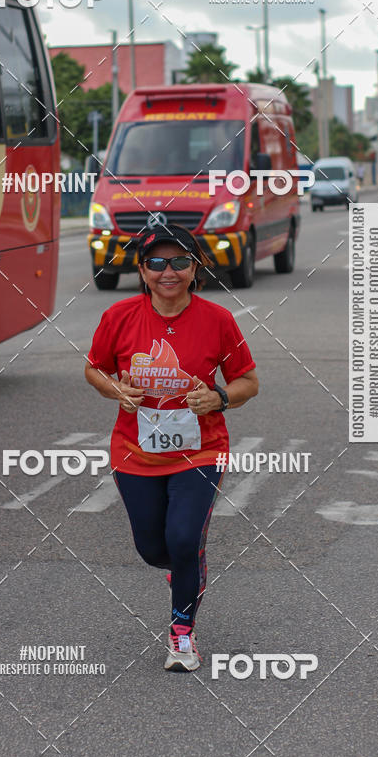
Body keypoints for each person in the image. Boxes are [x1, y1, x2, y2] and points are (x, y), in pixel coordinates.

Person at [84, 224, 259, 672]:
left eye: (180, 262)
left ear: (195, 268)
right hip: (135, 452)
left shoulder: (218, 320)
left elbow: (248, 382)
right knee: (152, 548)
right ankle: (181, 568)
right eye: (157, 263)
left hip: (201, 451)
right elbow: (95, 370)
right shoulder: (119, 316)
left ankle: (182, 633)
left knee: (183, 540)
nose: (169, 272)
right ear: (142, 270)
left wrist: (220, 397)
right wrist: (115, 391)